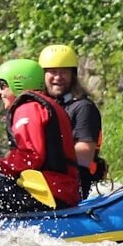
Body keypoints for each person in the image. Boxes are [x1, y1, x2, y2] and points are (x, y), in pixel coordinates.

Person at [0, 58, 80, 216]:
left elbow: (30, 156)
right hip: (57, 191)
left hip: (49, 194)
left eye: (3, 86)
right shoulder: (43, 105)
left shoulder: (27, 108)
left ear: (18, 84)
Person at [39, 44, 106, 199]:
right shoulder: (42, 107)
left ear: (72, 75)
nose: (58, 77)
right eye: (52, 72)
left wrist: (42, 157)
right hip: (46, 181)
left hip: (72, 184)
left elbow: (85, 155)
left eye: (64, 72)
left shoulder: (83, 108)